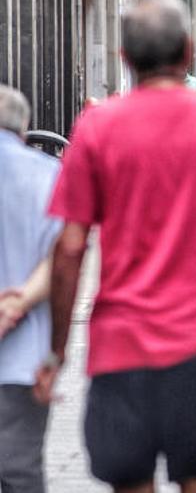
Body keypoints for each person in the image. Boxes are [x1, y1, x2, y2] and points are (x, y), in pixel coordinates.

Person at [43, 0, 196, 492]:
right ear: (189, 50)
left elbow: (70, 248)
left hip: (122, 344)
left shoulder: (97, 127)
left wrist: (55, 352)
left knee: (131, 481)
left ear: (125, 57)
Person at [0, 84, 62, 493]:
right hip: (21, 360)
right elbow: (63, 258)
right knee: (20, 472)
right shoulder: (48, 172)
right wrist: (16, 305)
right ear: (24, 129)